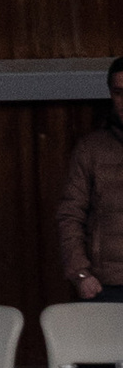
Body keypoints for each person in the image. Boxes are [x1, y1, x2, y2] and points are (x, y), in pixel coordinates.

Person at [56, 57, 123, 300]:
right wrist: (81, 274)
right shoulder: (91, 150)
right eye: (119, 92)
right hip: (107, 284)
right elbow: (70, 214)